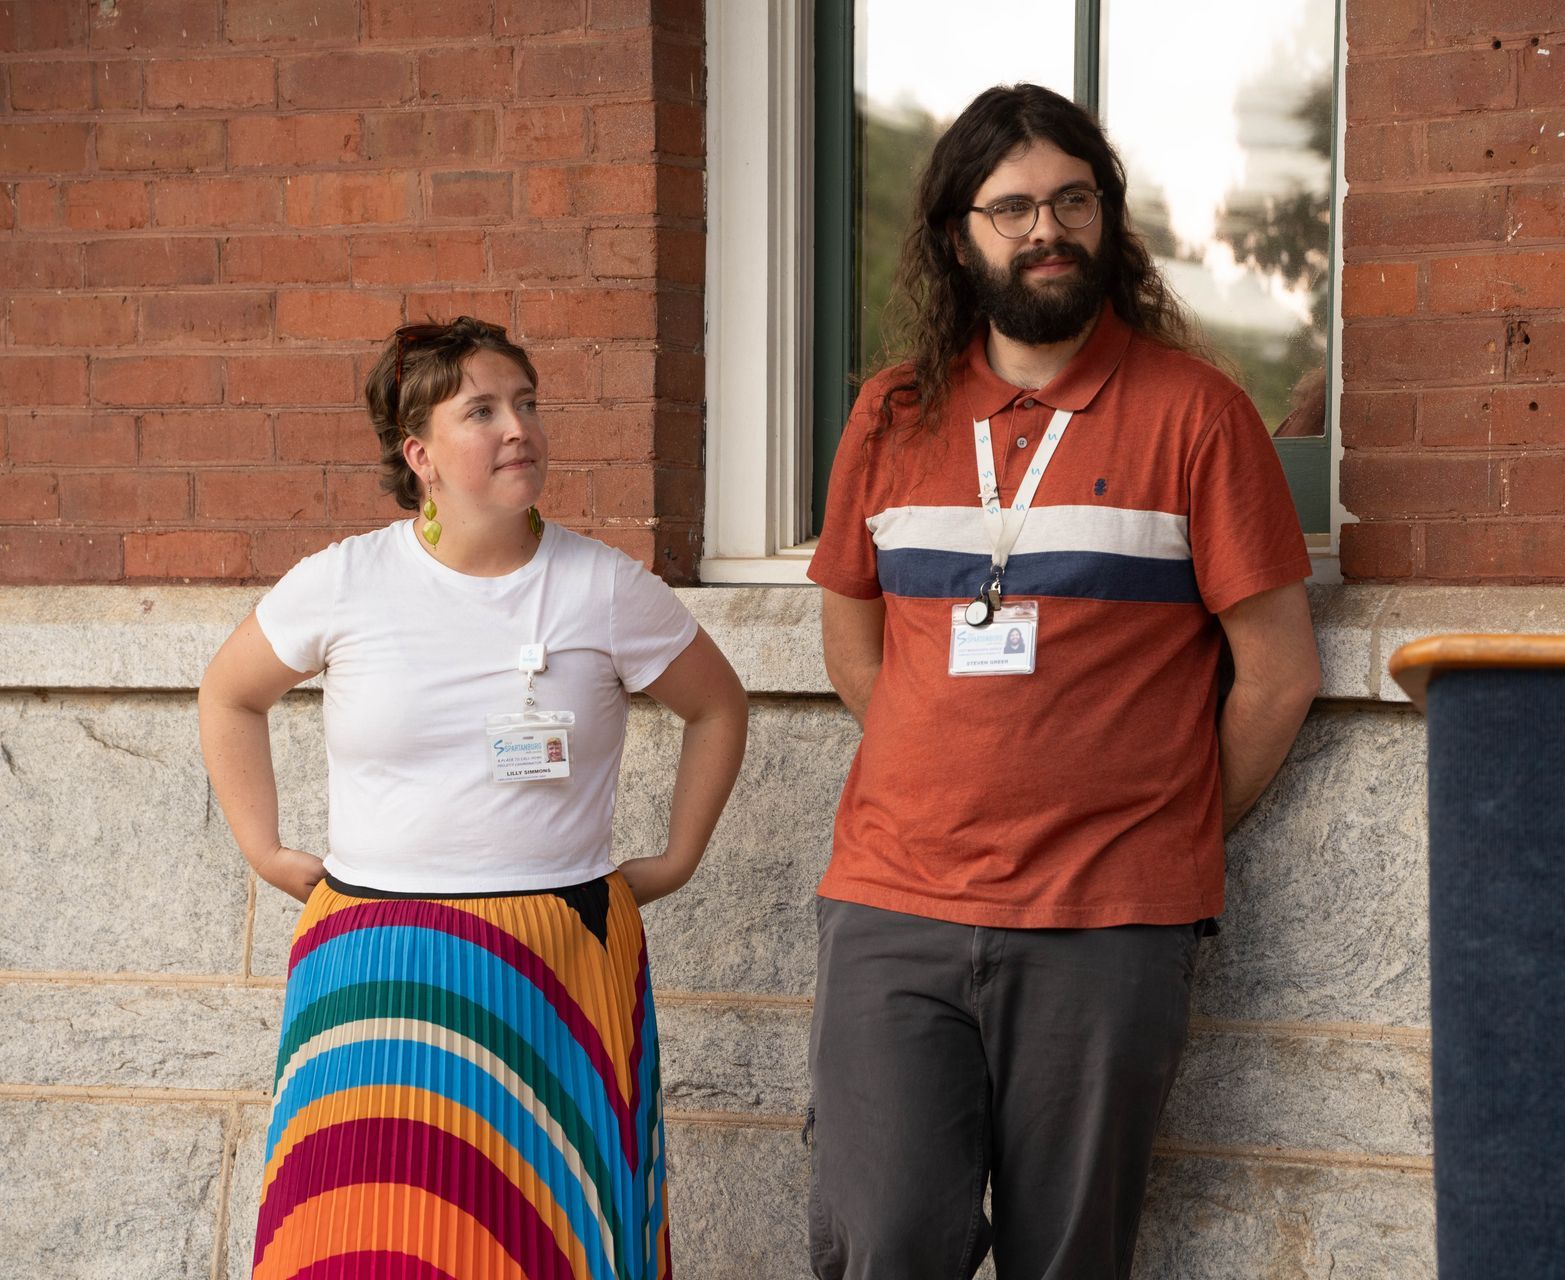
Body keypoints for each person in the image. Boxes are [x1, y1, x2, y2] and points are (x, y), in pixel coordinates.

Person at [804, 84, 1322, 1279]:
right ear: (955, 234)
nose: (1049, 230)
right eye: (1015, 207)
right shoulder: (888, 414)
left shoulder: (1199, 413)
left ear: (1109, 217)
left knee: (1069, 1258)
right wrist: (947, 770)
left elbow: (1278, 674)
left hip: (1106, 924)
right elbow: (850, 634)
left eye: (1075, 200)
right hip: (895, 907)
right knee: (884, 1241)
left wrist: (1159, 821)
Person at [198, 317, 748, 1280]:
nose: (518, 428)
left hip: (561, 961)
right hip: (375, 962)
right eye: (483, 410)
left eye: (527, 404)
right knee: (365, 1246)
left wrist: (679, 855)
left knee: (553, 1240)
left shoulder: (606, 586)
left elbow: (718, 707)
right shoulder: (345, 579)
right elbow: (228, 693)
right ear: (420, 456)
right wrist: (265, 849)